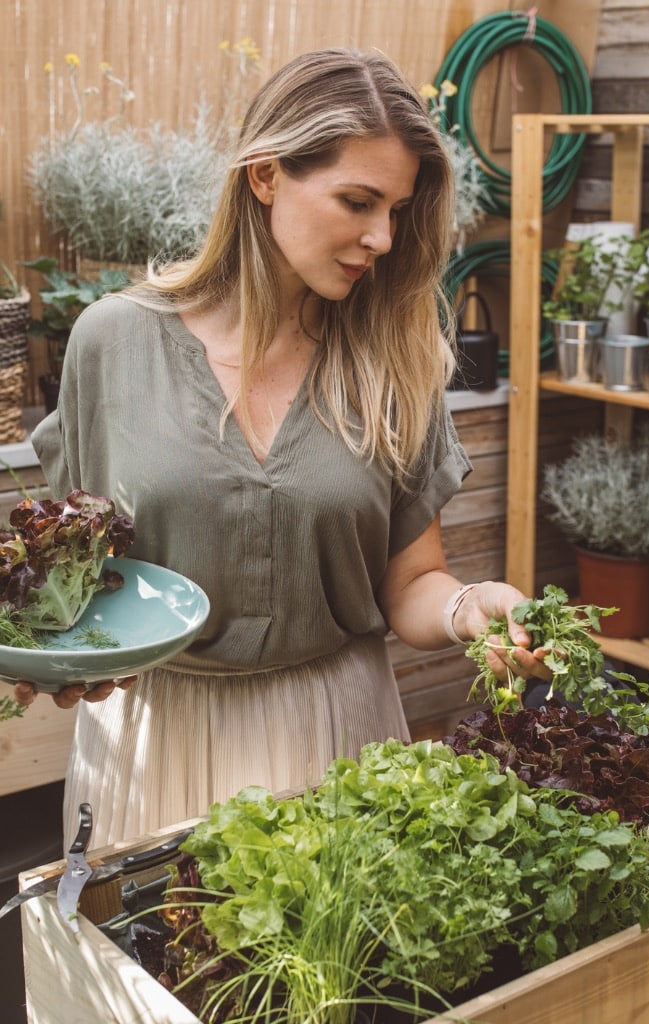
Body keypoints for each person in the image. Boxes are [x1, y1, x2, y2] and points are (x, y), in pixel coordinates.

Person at [15, 47, 550, 850]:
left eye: (398, 210)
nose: (380, 236)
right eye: (358, 200)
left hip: (334, 734)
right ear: (265, 177)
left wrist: (473, 609)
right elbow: (80, 574)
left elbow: (410, 582)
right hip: (158, 740)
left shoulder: (393, 361)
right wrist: (50, 651)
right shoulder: (112, 343)